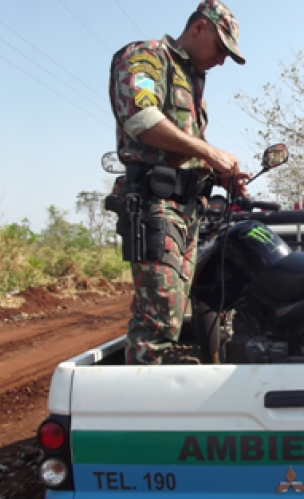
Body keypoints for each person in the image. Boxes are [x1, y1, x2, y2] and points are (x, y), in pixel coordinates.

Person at [108, 0, 249, 365]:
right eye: (220, 48)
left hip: (187, 210)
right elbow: (140, 119)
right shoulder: (148, 57)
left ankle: (157, 394)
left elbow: (185, 151)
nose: (221, 60)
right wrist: (210, 153)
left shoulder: (192, 79)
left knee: (171, 316)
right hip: (156, 205)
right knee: (159, 317)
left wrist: (221, 174)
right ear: (199, 27)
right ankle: (143, 408)